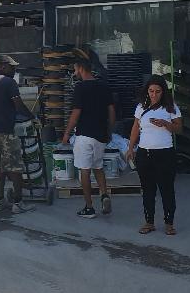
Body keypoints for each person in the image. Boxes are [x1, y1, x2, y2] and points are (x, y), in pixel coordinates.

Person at [0, 55, 35, 214]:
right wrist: (32, 116)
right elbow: (19, 105)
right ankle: (18, 202)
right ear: (2, 66)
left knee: (0, 166)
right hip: (4, 131)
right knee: (15, 167)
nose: (14, 69)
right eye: (12, 67)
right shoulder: (9, 83)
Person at [126, 75, 182, 235]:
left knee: (167, 190)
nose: (154, 94)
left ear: (163, 92)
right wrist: (130, 148)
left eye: (158, 91)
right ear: (147, 91)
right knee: (147, 190)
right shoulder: (141, 107)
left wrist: (166, 124)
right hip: (145, 153)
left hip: (165, 153)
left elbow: (179, 128)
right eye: (151, 91)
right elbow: (135, 128)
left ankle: (169, 223)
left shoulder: (171, 107)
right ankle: (149, 222)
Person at [61, 58, 115, 219]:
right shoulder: (104, 86)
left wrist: (67, 133)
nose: (74, 73)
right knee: (98, 167)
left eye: (75, 70)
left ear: (81, 69)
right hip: (101, 136)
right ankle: (104, 195)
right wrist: (109, 131)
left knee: (84, 171)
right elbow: (112, 111)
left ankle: (89, 207)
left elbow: (76, 113)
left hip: (84, 135)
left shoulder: (80, 87)